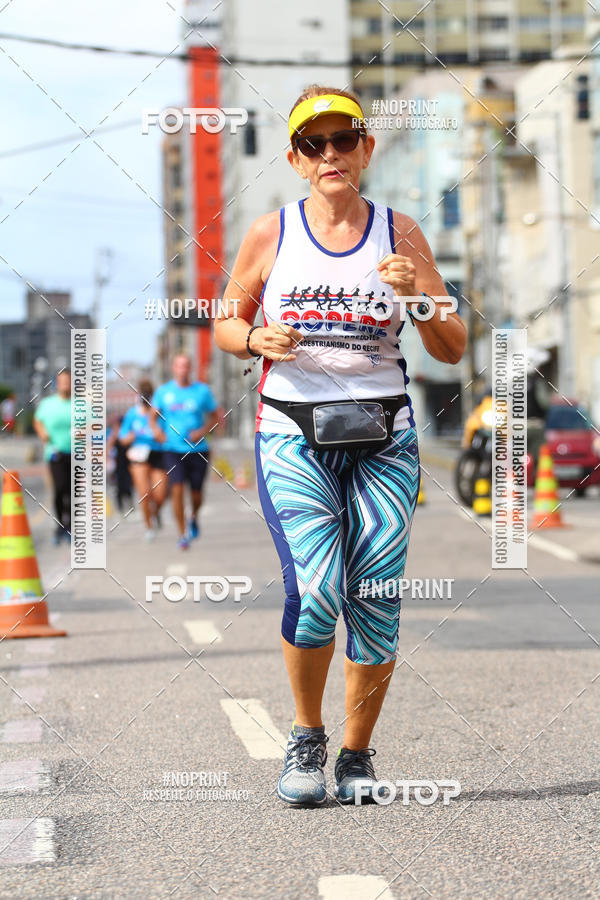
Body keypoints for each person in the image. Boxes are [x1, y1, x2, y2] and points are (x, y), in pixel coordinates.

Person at [214, 85, 466, 806]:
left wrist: (418, 291)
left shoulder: (402, 232)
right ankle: (305, 734)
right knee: (319, 587)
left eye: (344, 140)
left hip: (384, 434)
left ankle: (356, 754)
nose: (331, 154)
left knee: (376, 595)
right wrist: (254, 336)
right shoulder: (271, 233)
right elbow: (226, 322)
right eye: (314, 145)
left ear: (366, 150)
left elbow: (450, 348)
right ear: (297, 160)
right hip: (293, 429)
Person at [149, 356, 219, 551]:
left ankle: (193, 516)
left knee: (197, 494)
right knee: (177, 489)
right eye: (179, 365)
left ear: (190, 368)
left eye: (186, 365)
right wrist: (156, 432)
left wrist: (203, 431)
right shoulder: (164, 392)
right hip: (173, 449)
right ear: (173, 368)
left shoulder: (201, 391)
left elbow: (216, 416)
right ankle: (182, 533)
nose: (183, 369)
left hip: (199, 450)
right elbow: (152, 418)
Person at [118, 380, 167, 541]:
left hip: (157, 454)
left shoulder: (158, 413)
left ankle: (155, 512)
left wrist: (160, 436)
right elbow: (123, 438)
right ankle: (148, 527)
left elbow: (167, 434)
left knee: (160, 494)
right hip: (139, 456)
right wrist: (131, 437)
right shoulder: (132, 414)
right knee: (144, 493)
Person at [33, 369, 72, 545]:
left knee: (73, 492)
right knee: (60, 488)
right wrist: (42, 433)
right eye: (62, 381)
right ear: (57, 383)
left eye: (68, 381)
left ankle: (69, 526)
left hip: (76, 453)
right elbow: (37, 420)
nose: (65, 384)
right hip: (55, 453)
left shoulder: (80, 404)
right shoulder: (48, 404)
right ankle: (60, 526)